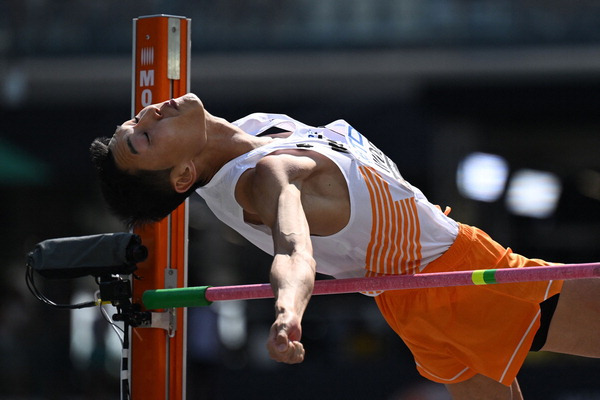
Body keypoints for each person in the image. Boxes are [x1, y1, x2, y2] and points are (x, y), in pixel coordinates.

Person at [90, 93, 600, 399]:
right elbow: (293, 252)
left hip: (415, 296)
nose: (149, 114)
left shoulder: (244, 139)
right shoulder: (265, 176)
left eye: (134, 121)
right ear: (181, 175)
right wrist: (288, 313)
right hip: (455, 276)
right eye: (144, 138)